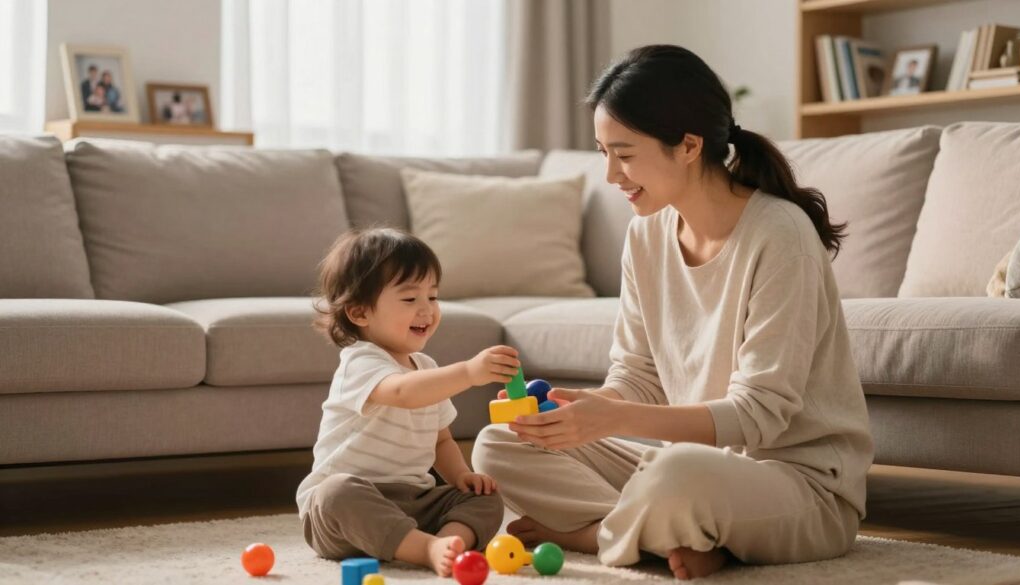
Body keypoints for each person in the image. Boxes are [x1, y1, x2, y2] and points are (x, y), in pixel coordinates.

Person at [473, 44, 873, 580]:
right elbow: (639, 376)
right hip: (692, 472)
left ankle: (588, 535)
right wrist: (581, 410)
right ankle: (680, 536)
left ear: (688, 145)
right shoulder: (645, 236)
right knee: (498, 443)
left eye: (625, 153)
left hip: (801, 486)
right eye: (602, 152)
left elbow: (760, 414)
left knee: (677, 473)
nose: (611, 174)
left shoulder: (781, 236)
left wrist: (613, 419)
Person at [297, 228, 512, 577]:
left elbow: (441, 439)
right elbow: (402, 393)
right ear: (360, 313)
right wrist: (470, 373)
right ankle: (424, 549)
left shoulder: (426, 369)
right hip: (345, 512)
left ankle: (447, 541)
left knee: (485, 496)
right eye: (410, 299)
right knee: (334, 492)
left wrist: (461, 476)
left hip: (413, 502)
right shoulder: (360, 362)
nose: (427, 310)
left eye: (433, 296)